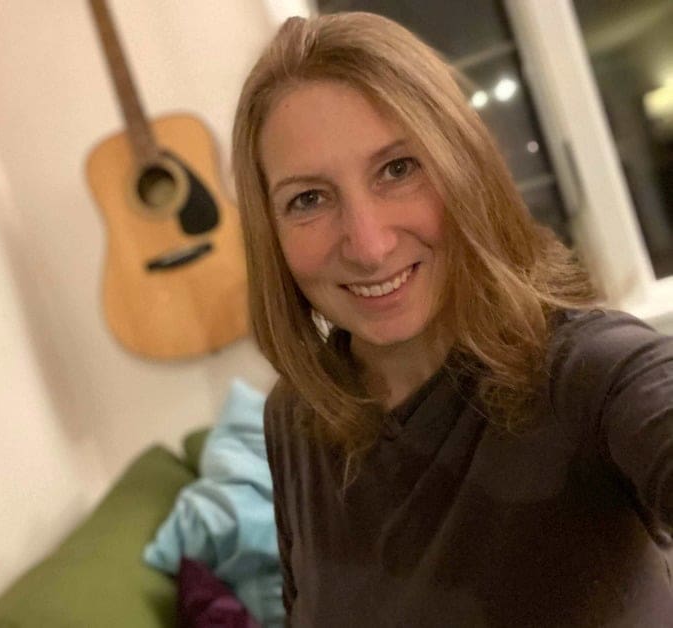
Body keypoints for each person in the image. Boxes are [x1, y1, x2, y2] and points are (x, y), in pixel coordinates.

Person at [231, 11, 673, 627]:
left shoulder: (589, 374)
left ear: (465, 167)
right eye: (308, 199)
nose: (369, 245)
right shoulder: (296, 414)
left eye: (398, 169)